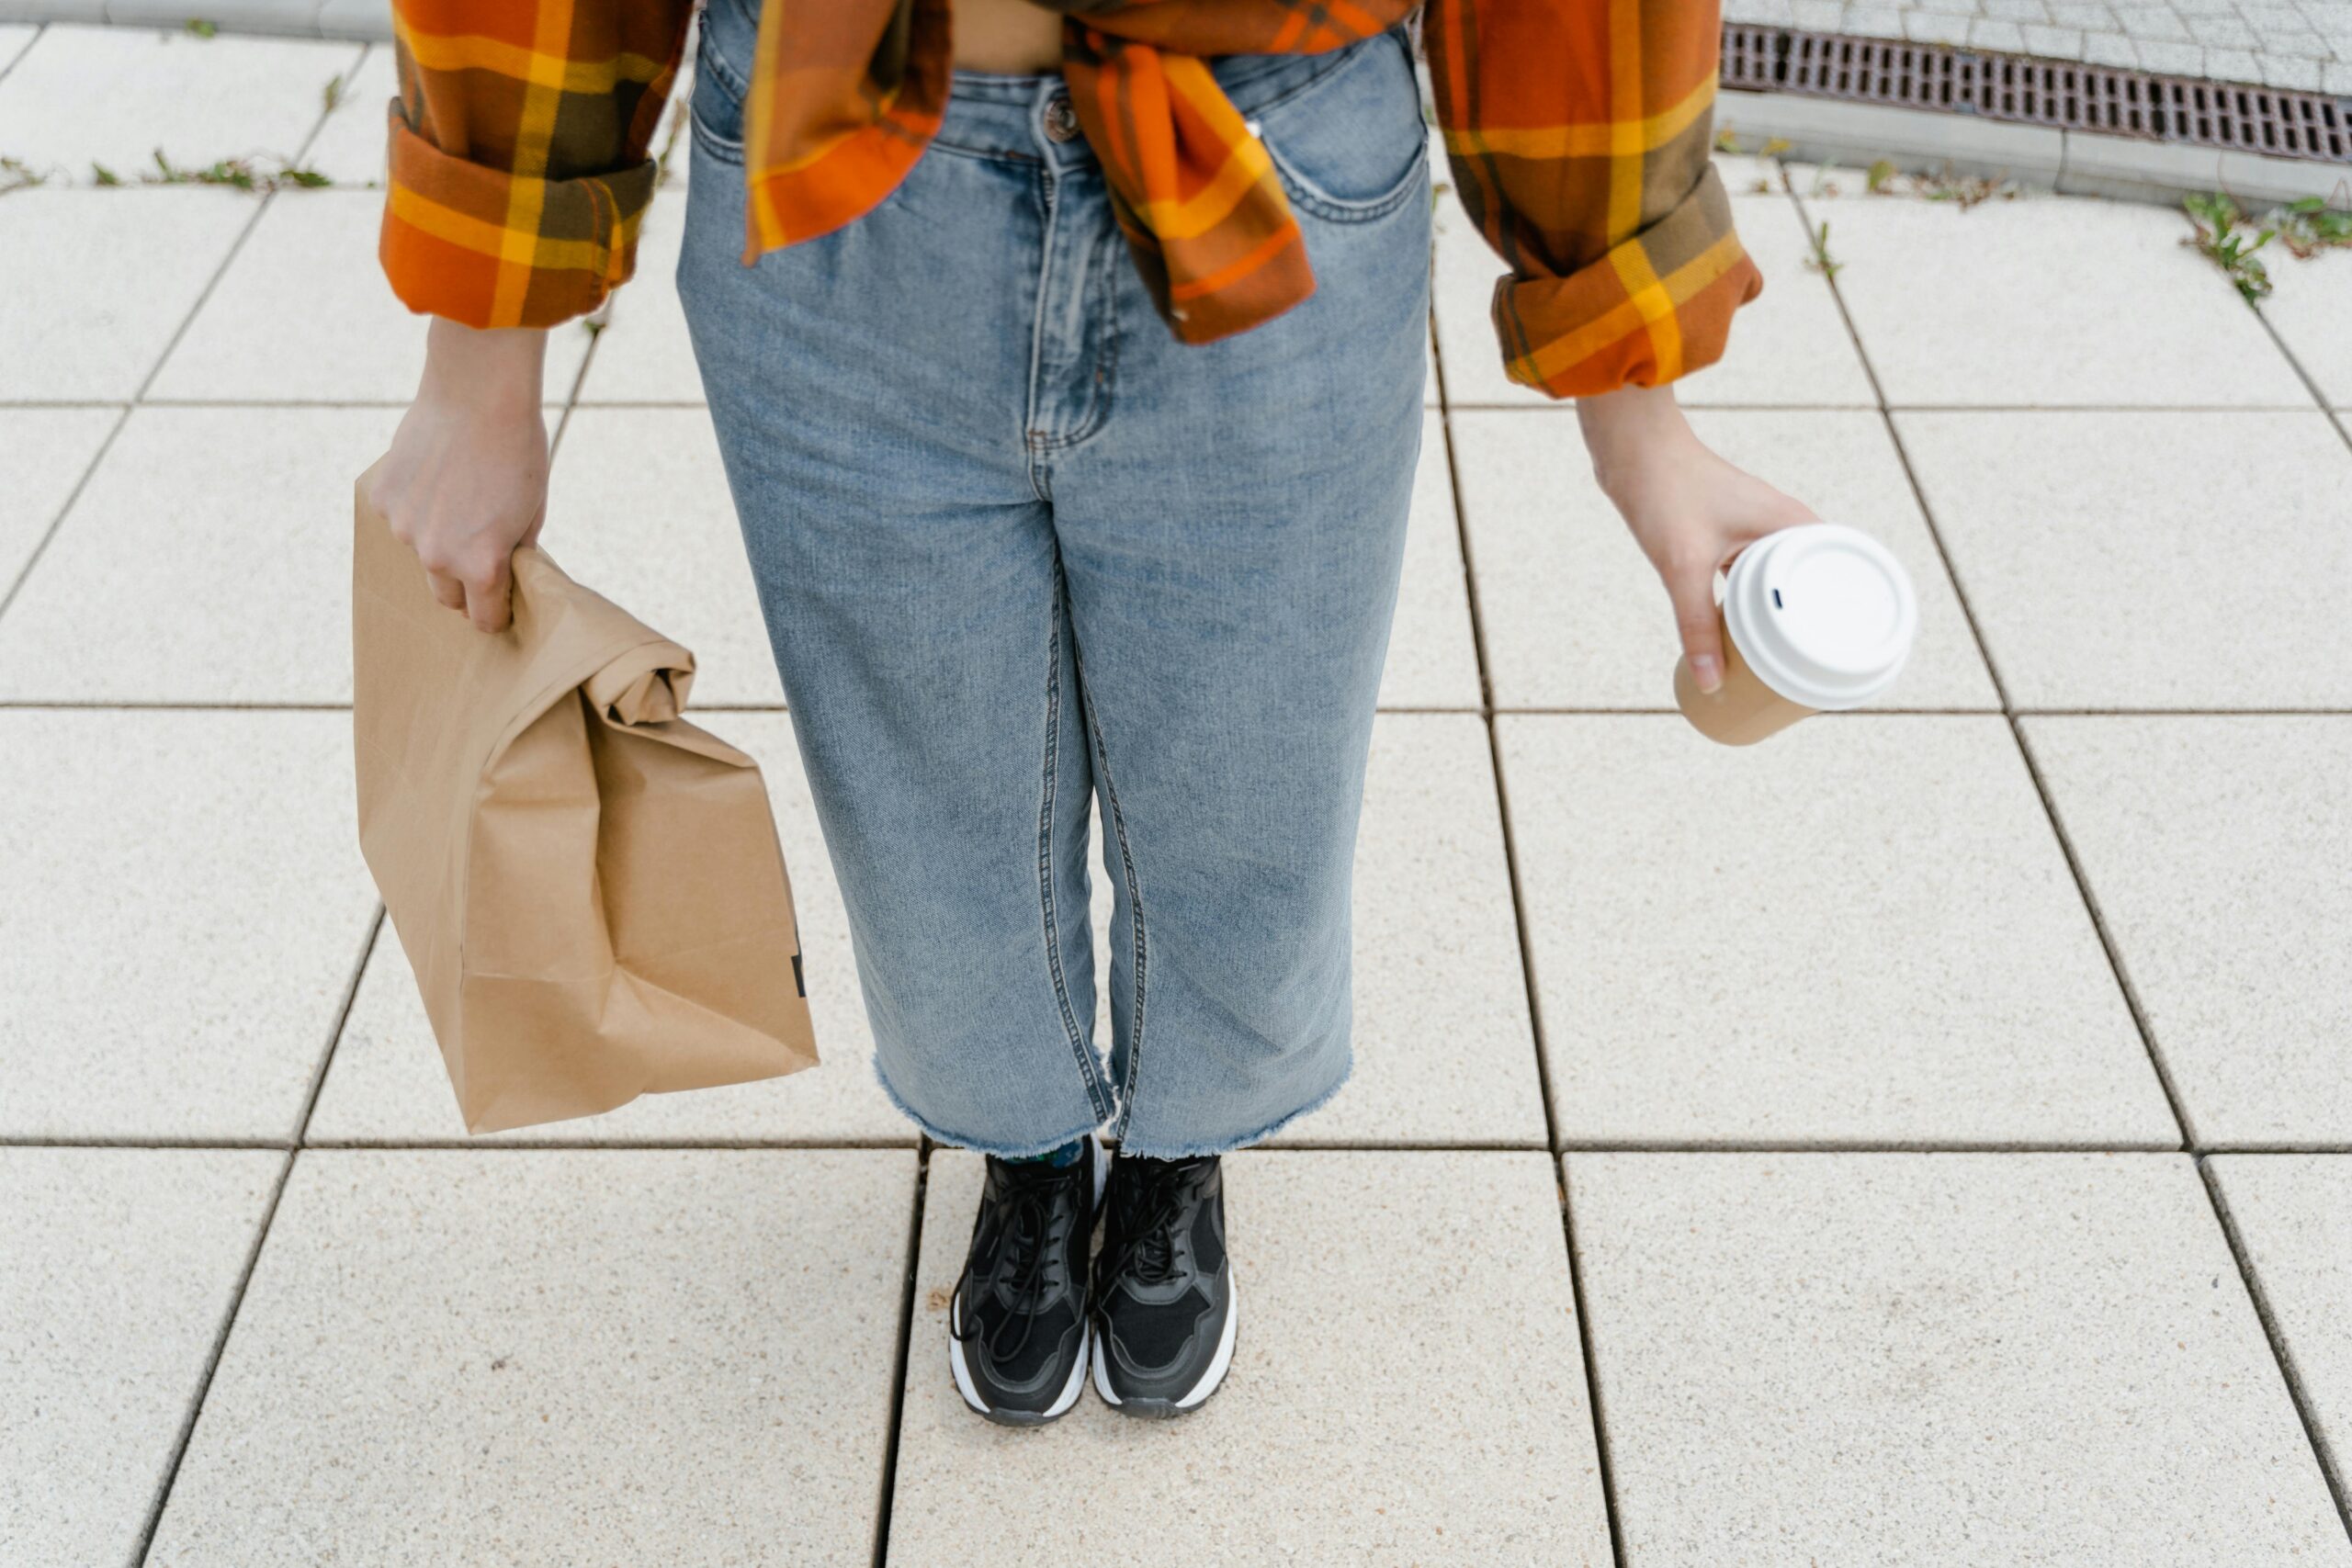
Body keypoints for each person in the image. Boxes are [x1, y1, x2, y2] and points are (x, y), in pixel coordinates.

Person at [366, 0, 1815, 1426]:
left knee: (1249, 782)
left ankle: (1180, 1147)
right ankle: (1033, 1149)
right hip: (840, 172)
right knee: (929, 791)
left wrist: (1639, 413)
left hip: (1269, 151)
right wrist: (478, 358)